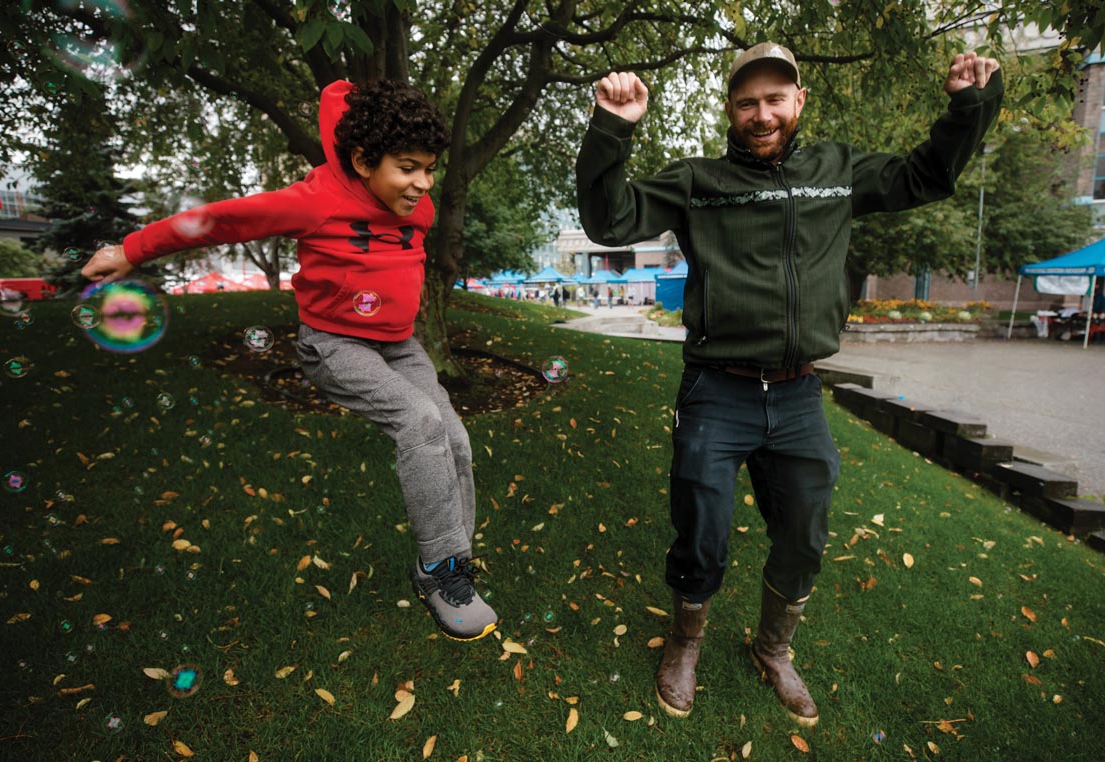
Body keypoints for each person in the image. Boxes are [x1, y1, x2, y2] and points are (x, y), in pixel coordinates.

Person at [577, 43, 1003, 724]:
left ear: (799, 102)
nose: (762, 113)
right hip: (717, 388)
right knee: (702, 528)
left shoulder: (837, 171)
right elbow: (609, 219)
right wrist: (612, 128)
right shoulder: (699, 179)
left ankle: (773, 648)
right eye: (748, 102)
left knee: (804, 530)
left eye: (776, 98)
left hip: (800, 395)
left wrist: (971, 104)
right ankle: (686, 643)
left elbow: (927, 176)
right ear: (731, 110)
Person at [80, 79, 498, 642]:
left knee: (455, 437)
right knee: (419, 424)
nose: (423, 184)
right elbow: (220, 220)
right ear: (362, 159)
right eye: (408, 168)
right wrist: (130, 250)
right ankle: (438, 570)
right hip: (334, 345)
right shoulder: (315, 199)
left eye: (429, 168)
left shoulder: (417, 209)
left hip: (400, 346)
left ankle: (454, 560)